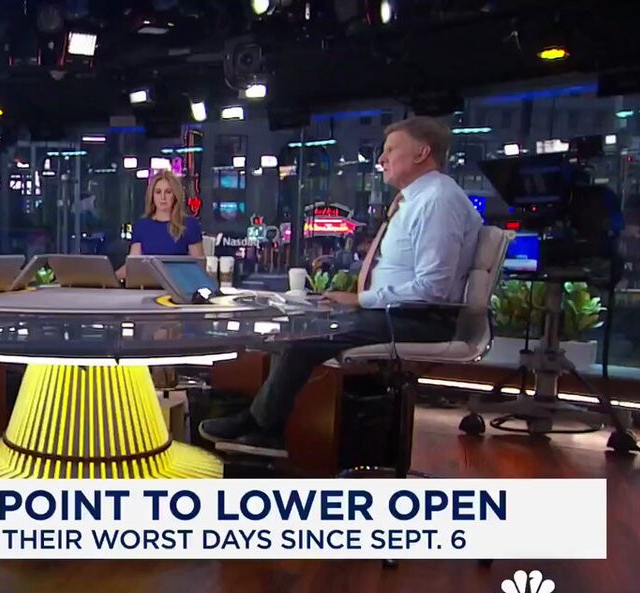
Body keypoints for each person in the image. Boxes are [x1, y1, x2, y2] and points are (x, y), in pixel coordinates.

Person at [199, 116, 483, 450]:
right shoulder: (418, 199)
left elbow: (433, 290)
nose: (381, 159)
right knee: (298, 322)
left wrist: (360, 300)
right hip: (395, 313)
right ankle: (267, 428)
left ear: (422, 152)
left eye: (391, 149)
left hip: (420, 319)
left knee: (306, 336)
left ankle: (261, 425)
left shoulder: (437, 200)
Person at [115, 170, 205, 279]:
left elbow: (199, 269)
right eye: (158, 192)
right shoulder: (142, 226)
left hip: (178, 285)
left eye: (168, 192)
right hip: (147, 284)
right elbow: (132, 266)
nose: (163, 197)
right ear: (152, 195)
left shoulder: (189, 225)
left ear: (175, 195)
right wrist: (111, 278)